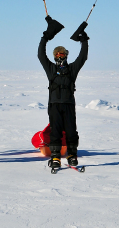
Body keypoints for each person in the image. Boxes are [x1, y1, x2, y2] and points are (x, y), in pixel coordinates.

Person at [38, 16, 89, 170]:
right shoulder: (51, 69)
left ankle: (72, 154)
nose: (60, 57)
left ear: (66, 56)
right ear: (54, 57)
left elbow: (83, 57)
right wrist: (44, 38)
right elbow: (41, 55)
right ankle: (55, 156)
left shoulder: (72, 69)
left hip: (68, 105)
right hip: (54, 105)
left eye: (62, 55)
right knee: (56, 131)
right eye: (57, 55)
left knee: (71, 130)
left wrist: (84, 41)